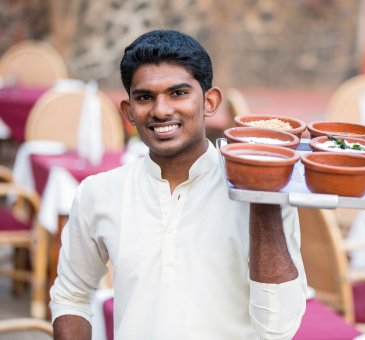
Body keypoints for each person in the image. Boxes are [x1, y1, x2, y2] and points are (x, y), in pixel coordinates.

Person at [50, 29, 307, 340]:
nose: (161, 110)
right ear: (129, 111)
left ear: (210, 102)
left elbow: (279, 328)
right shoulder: (99, 192)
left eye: (178, 93)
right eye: (145, 97)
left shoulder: (264, 195)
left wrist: (263, 196)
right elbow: (72, 297)